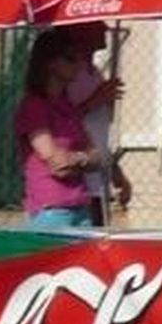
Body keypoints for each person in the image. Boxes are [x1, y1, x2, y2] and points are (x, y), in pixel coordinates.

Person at [14, 29, 103, 227]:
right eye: (71, 59)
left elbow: (97, 157)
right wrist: (83, 159)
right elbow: (58, 165)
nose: (78, 65)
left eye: (80, 59)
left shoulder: (67, 106)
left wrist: (77, 159)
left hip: (80, 205)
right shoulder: (34, 106)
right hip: (51, 208)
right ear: (50, 63)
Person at [61, 21, 133, 224]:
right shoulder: (70, 77)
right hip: (81, 180)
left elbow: (99, 133)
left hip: (99, 178)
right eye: (96, 24)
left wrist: (117, 173)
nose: (103, 28)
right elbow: (64, 121)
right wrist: (97, 99)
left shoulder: (94, 73)